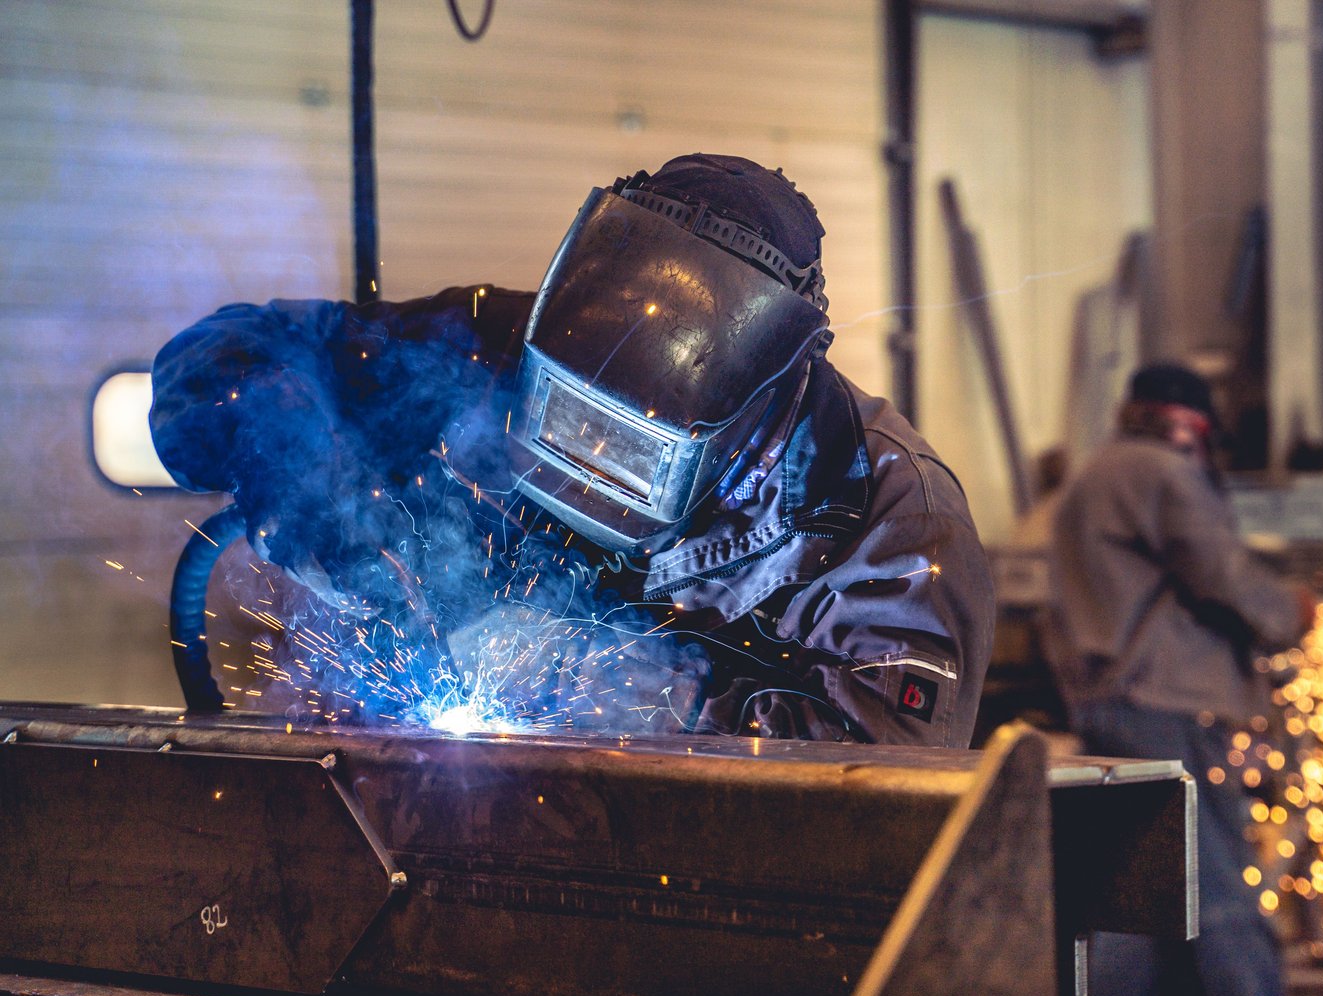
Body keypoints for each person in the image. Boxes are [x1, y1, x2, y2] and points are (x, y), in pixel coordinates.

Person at [150, 154, 993, 746]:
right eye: (579, 418)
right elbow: (226, 357)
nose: (592, 469)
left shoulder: (891, 524)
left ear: (756, 398)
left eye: (636, 447)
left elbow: (876, 793)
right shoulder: (502, 344)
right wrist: (306, 498)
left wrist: (632, 694)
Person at [1044, 363, 1314, 996]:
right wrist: (1291, 611)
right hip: (1168, 704)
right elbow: (1219, 572)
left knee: (1131, 899)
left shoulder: (1092, 473)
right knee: (1216, 891)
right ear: (1191, 423)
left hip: (1111, 703)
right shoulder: (1161, 474)